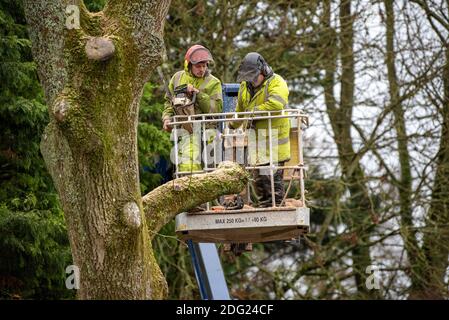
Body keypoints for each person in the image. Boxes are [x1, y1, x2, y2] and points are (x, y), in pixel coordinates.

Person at [235, 52, 290, 207]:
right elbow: (240, 111)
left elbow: (275, 105)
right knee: (258, 181)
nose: (251, 81)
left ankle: (277, 210)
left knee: (272, 183)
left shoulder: (277, 82)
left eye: (253, 76)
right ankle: (264, 207)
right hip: (257, 143)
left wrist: (252, 112)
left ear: (263, 71)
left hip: (275, 143)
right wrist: (230, 125)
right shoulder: (244, 87)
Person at [162, 44, 223, 172]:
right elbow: (169, 102)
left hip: (208, 133)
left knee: (210, 173)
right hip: (185, 132)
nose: (202, 69)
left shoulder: (214, 82)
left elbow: (216, 109)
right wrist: (166, 118)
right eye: (198, 66)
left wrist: (197, 93)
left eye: (204, 65)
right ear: (188, 65)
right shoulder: (177, 78)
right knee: (187, 169)